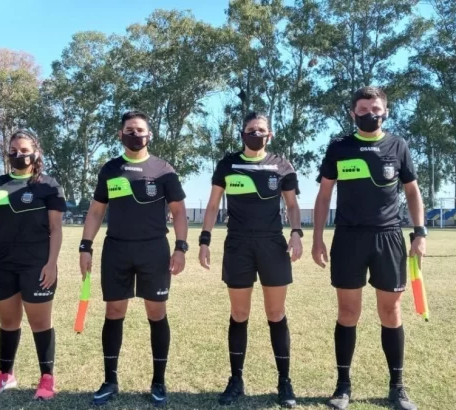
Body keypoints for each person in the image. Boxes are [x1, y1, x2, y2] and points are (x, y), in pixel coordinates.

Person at [312, 87, 426, 410]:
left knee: (390, 312)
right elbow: (323, 197)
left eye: (375, 108)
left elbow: (413, 192)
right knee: (348, 312)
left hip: (388, 237)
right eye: (362, 108)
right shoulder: (339, 148)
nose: (369, 113)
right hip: (348, 238)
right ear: (353, 113)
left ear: (385, 111)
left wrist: (420, 232)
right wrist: (318, 237)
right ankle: (343, 386)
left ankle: (397, 386)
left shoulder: (398, 146)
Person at [80, 111, 188, 407]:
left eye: (140, 130)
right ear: (120, 134)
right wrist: (85, 247)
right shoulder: (110, 169)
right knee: (114, 312)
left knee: (156, 314)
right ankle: (110, 380)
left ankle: (158, 382)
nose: (135, 134)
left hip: (154, 250)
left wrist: (180, 247)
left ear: (149, 134)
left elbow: (178, 211)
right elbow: (95, 211)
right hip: (117, 249)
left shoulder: (163, 170)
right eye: (129, 130)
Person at [198, 112, 303, 408]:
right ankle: (236, 380)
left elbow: (293, 206)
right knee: (239, 314)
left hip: (272, 245)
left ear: (269, 134)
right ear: (242, 133)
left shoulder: (282, 166)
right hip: (238, 245)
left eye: (261, 130)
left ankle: (284, 382)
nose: (255, 133)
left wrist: (296, 233)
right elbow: (212, 204)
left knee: (275, 313)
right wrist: (204, 241)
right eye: (250, 129)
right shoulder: (228, 164)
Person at [0, 130, 66, 401]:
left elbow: (56, 228)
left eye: (24, 150)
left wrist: (51, 264)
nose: (18, 155)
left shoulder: (48, 185)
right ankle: (6, 374)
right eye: (13, 150)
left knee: (40, 322)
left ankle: (47, 379)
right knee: (8, 322)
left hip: (36, 266)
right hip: (1, 266)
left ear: (35, 153)